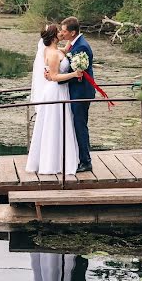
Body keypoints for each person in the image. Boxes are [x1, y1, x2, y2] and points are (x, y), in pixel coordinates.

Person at [25, 24, 82, 175]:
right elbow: (55, 76)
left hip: (58, 91)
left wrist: (73, 33)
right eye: (59, 32)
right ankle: (52, 162)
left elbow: (67, 49)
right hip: (56, 92)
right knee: (54, 125)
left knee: (58, 124)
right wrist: (74, 74)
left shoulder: (52, 50)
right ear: (53, 36)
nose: (61, 34)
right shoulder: (53, 54)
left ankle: (56, 159)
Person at [48, 16, 95, 173]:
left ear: (73, 32)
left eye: (64, 31)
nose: (62, 33)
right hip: (76, 91)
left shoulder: (82, 47)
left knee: (80, 125)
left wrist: (54, 78)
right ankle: (82, 157)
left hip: (81, 93)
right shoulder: (76, 44)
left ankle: (86, 161)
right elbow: (68, 55)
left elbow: (73, 70)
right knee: (79, 124)